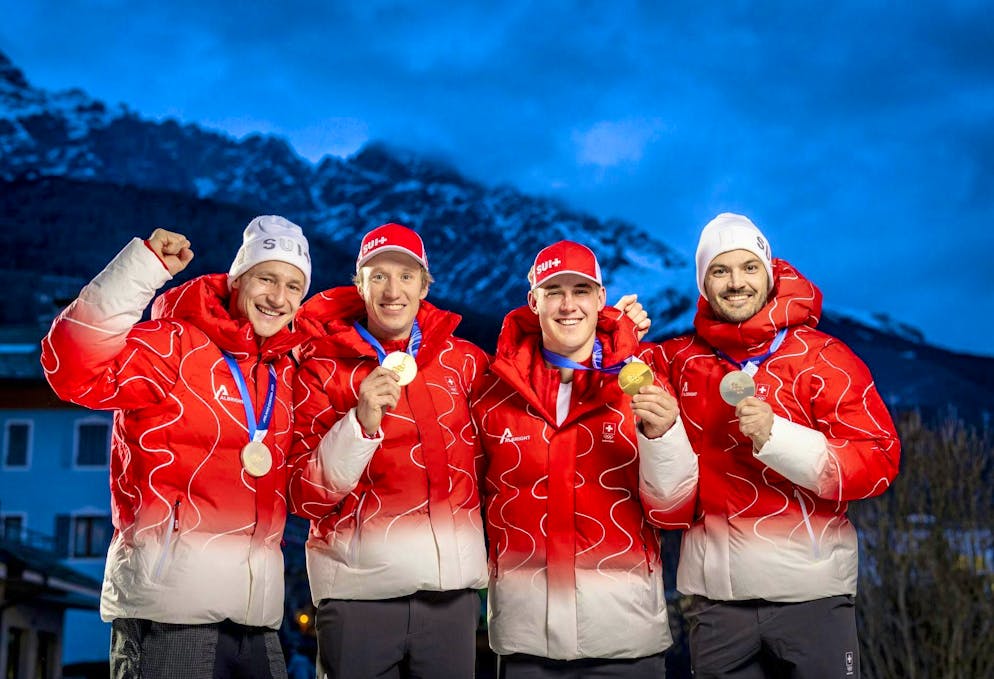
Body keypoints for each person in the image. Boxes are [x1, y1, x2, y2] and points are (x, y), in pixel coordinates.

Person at [40, 216, 312, 679]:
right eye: (266, 278)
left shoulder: (282, 374)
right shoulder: (175, 344)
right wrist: (141, 268)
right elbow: (72, 368)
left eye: (293, 285)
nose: (277, 296)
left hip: (256, 618)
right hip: (168, 609)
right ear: (237, 279)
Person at [644, 212, 901, 678]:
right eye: (719, 271)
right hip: (716, 605)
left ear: (769, 271)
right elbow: (601, 367)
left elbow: (879, 460)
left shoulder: (824, 358)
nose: (735, 282)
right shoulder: (677, 361)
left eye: (748, 267)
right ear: (703, 285)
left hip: (812, 600)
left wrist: (777, 438)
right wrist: (615, 325)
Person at [471, 240, 699, 677]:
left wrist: (664, 437)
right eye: (554, 291)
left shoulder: (645, 376)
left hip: (626, 638)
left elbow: (674, 511)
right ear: (533, 301)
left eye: (581, 290)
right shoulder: (492, 391)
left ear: (600, 300)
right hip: (525, 641)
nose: (567, 304)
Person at [287, 222, 490, 679]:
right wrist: (358, 424)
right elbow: (304, 496)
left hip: (452, 598)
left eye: (405, 275)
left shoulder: (467, 362)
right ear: (358, 285)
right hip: (359, 597)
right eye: (377, 275)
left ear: (424, 284)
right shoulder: (320, 366)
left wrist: (610, 335)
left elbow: (536, 404)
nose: (392, 289)